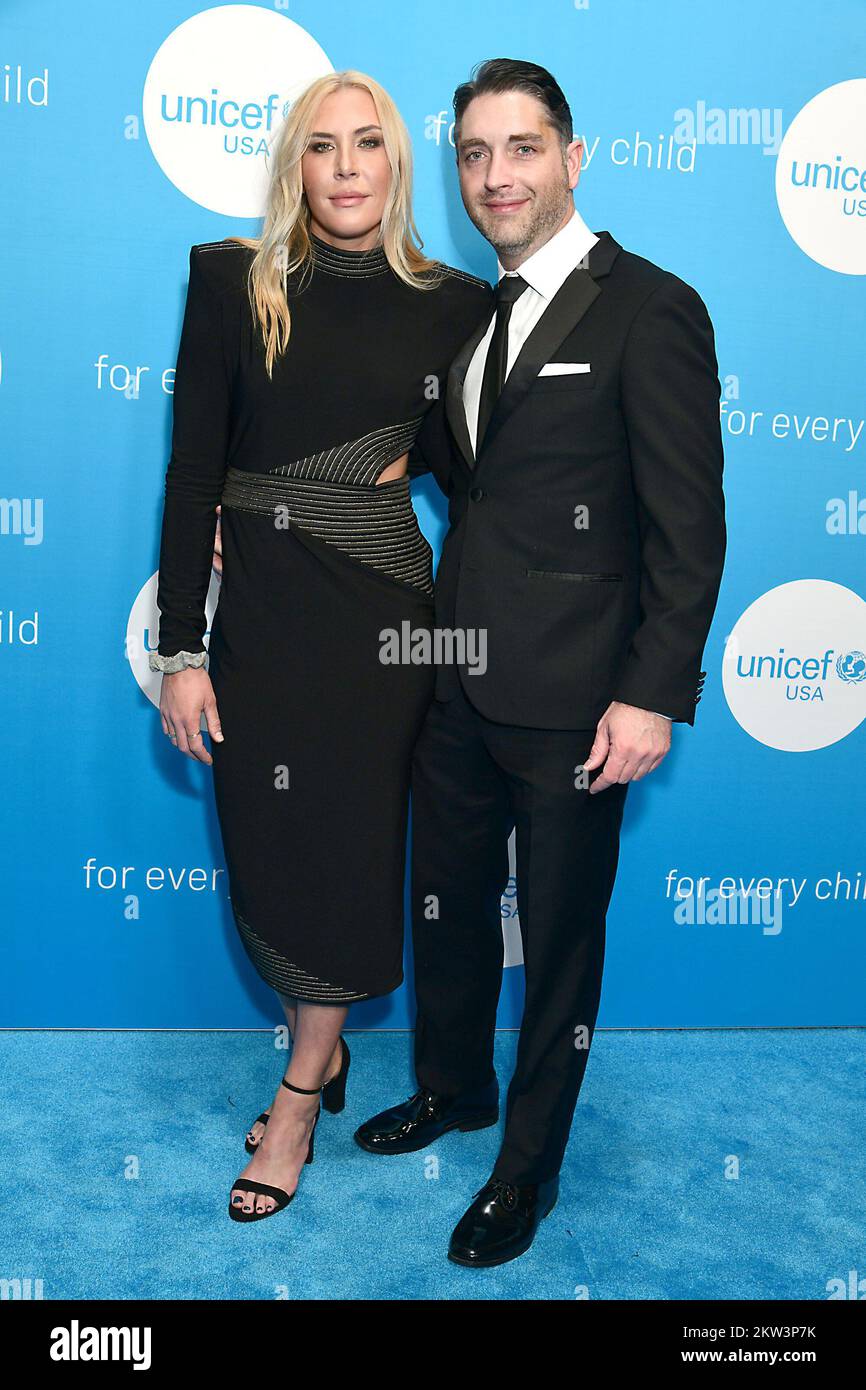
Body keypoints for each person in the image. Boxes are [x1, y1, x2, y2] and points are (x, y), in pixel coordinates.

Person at [354, 59, 727, 1267]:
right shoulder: (470, 311)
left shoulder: (649, 307)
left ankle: (527, 1170)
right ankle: (452, 1087)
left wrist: (650, 692)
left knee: (558, 941)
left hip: (579, 700)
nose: (493, 175)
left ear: (572, 158)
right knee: (447, 910)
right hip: (453, 674)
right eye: (472, 153)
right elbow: (435, 466)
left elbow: (688, 526)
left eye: (519, 148)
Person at [149, 70, 491, 1222]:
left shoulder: (453, 305)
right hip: (259, 625)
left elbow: (478, 477)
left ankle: (297, 1096)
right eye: (321, 147)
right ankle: (328, 1053)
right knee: (272, 843)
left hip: (378, 623)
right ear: (293, 165)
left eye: (369, 146)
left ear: (397, 166)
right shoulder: (229, 281)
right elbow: (195, 470)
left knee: (346, 853)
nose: (347, 168)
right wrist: (182, 652)